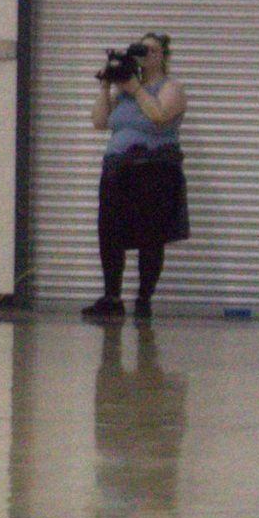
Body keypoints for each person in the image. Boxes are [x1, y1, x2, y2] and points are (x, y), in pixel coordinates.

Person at [85, 33, 187, 319]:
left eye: (151, 50)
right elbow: (99, 121)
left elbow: (158, 116)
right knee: (110, 234)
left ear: (163, 56)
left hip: (153, 171)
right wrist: (106, 88)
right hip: (118, 170)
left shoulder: (171, 88)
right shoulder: (125, 91)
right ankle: (111, 297)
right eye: (141, 49)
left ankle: (144, 298)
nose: (144, 55)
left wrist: (137, 88)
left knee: (150, 238)